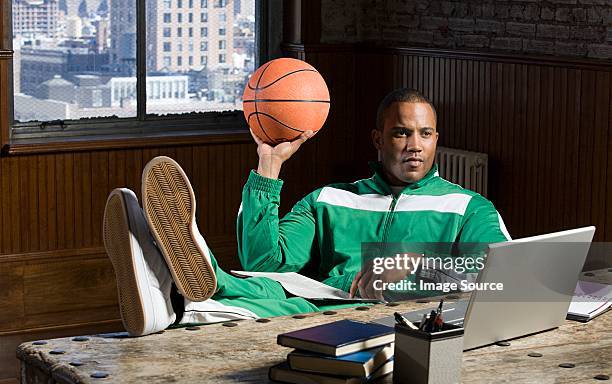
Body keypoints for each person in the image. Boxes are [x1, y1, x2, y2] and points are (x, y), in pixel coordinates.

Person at [103, 88, 510, 336]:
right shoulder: (328, 199)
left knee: (277, 298)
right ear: (378, 139)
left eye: (425, 133)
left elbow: (503, 279)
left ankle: (166, 275)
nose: (414, 145)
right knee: (271, 290)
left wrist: (415, 264)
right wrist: (269, 166)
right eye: (401, 132)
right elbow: (265, 263)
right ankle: (173, 294)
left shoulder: (469, 207)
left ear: (437, 139)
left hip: (405, 318)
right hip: (326, 303)